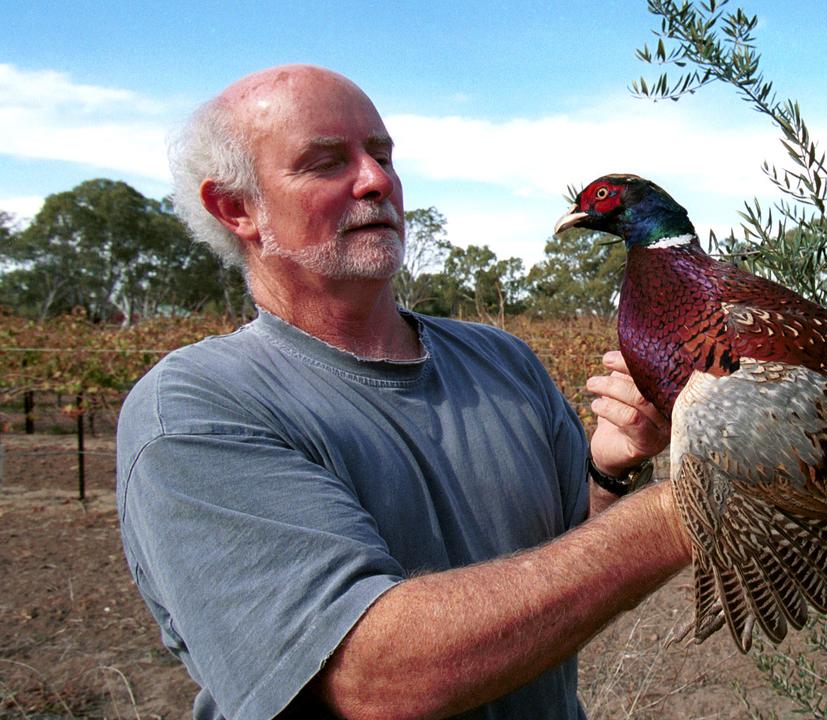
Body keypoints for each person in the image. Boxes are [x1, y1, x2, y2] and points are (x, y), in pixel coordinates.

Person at [116, 64, 691, 720]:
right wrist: (694, 506)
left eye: (382, 154)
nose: (377, 180)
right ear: (236, 208)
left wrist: (612, 470)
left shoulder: (502, 360)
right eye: (326, 162)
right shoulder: (198, 410)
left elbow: (572, 560)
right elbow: (372, 677)